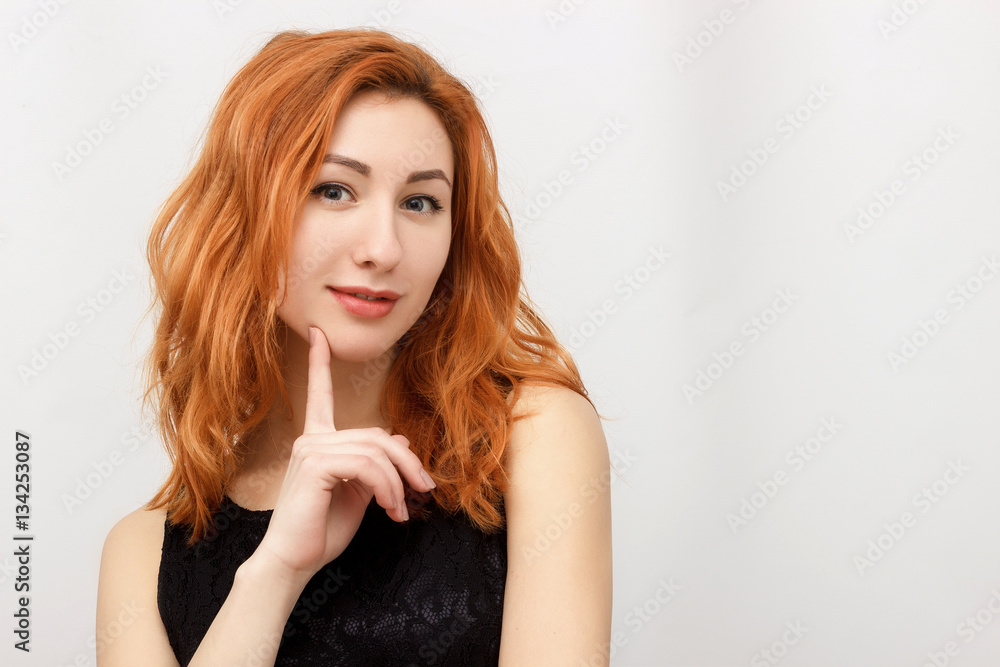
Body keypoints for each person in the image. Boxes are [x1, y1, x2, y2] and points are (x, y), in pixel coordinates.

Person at [96, 27, 612, 666]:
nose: (384, 248)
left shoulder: (529, 437)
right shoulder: (144, 553)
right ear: (244, 213)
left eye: (421, 202)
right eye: (334, 189)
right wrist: (276, 572)